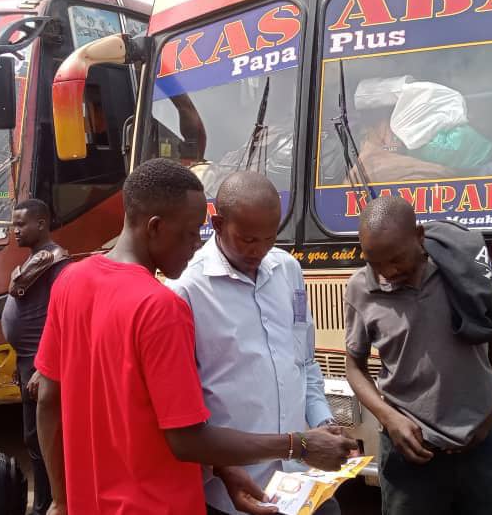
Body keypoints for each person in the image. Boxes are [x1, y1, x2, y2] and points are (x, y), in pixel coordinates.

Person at [35, 158, 355, 515]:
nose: (194, 246)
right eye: (190, 234)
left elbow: (48, 399)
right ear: (155, 227)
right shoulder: (164, 304)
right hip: (160, 503)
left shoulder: (70, 282)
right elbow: (186, 439)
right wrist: (299, 446)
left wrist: (61, 500)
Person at [166, 171, 341, 515]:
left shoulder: (288, 269)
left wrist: (321, 421)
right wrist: (222, 466)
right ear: (217, 224)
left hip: (302, 481)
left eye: (269, 238)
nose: (259, 250)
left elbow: (302, 361)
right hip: (237, 494)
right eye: (247, 239)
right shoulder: (186, 292)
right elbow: (187, 408)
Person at [343, 196, 492, 515]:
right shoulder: (360, 289)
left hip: (480, 445)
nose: (387, 272)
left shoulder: (463, 269)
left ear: (419, 236)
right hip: (410, 456)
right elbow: (354, 366)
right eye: (375, 262)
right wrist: (388, 418)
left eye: (396, 259)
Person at [1, 199, 70, 515]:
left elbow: (63, 320)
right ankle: (46, 501)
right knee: (34, 439)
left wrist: (45, 367)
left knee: (49, 440)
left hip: (44, 366)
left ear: (41, 223)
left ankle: (52, 503)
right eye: (14, 224)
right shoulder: (34, 263)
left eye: (21, 224)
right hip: (28, 362)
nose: (15, 230)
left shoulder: (57, 265)